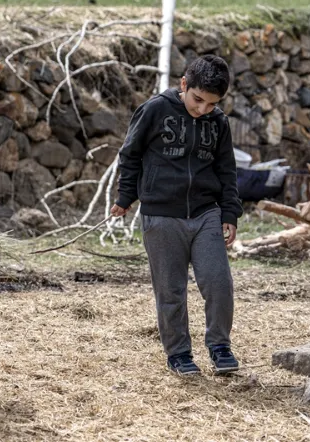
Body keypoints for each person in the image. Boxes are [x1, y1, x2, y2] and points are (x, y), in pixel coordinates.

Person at [110, 54, 243, 377]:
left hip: (205, 213)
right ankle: (179, 353)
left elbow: (226, 170)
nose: (202, 109)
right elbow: (130, 154)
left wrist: (230, 213)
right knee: (170, 290)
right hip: (161, 215)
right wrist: (126, 197)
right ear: (184, 85)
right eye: (197, 100)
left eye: (212, 104)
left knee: (219, 283)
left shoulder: (218, 122)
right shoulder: (154, 110)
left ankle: (219, 345)